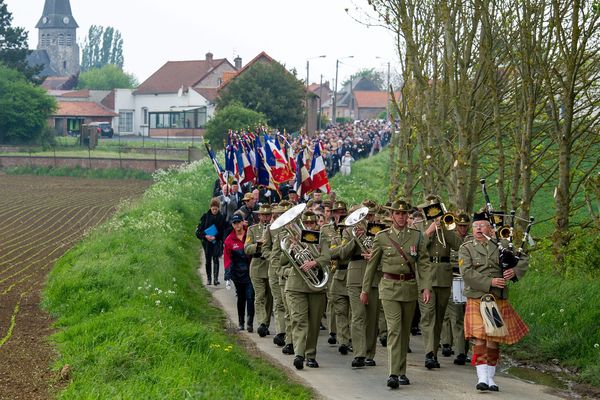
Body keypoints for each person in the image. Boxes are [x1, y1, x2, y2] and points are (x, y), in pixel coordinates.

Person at [360, 198, 432, 389]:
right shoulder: (382, 237)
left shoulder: (417, 236)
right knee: (394, 330)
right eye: (397, 214)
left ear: (408, 216)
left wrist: (426, 287)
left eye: (404, 214)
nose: (401, 217)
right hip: (389, 288)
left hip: (409, 288)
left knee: (404, 332)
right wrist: (365, 289)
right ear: (391, 216)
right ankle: (393, 373)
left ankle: (402, 372)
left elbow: (423, 264)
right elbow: (372, 266)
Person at [459, 211, 529, 391]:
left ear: (490, 228)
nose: (478, 229)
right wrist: (490, 282)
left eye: (482, 225)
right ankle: (481, 378)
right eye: (475, 226)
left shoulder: (502, 244)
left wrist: (514, 271)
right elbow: (466, 273)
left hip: (497, 297)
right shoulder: (466, 247)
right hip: (477, 296)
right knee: (480, 338)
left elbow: (523, 259)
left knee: (493, 339)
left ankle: (490, 379)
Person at [419, 194, 463, 370]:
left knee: (438, 318)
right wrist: (429, 231)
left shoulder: (447, 226)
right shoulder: (420, 227)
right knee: (428, 316)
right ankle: (429, 353)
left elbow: (458, 245)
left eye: (437, 210)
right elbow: (417, 249)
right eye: (432, 210)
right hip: (427, 275)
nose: (435, 214)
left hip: (444, 277)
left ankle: (434, 353)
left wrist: (444, 227)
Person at [283, 210, 330, 370]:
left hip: (316, 286)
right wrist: (291, 248)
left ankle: (310, 355)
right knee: (299, 320)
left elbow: (327, 257)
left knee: (314, 323)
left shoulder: (321, 239)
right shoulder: (292, 239)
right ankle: (299, 354)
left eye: (311, 223)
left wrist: (314, 263)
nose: (308, 226)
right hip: (296, 285)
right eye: (306, 223)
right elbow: (283, 260)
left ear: (316, 224)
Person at [440, 211, 472, 365]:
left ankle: (463, 349)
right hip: (453, 279)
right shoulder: (451, 237)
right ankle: (456, 350)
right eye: (460, 226)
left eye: (466, 226)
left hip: (469, 281)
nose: (463, 229)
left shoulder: (472, 239)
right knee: (454, 315)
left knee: (467, 316)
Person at [244, 204, 274, 338]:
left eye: (268, 215)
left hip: (270, 265)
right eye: (264, 215)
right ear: (259, 216)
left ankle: (265, 324)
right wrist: (258, 245)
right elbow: (247, 248)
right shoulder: (252, 229)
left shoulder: (275, 230)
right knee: (260, 295)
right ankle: (261, 322)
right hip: (257, 265)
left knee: (269, 297)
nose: (266, 218)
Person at [224, 213, 255, 332]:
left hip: (251, 272)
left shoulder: (250, 234)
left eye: (238, 222)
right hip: (237, 274)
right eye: (234, 223)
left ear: (243, 222)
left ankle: (250, 323)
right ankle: (241, 322)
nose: (237, 225)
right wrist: (227, 275)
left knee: (250, 297)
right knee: (241, 298)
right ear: (232, 225)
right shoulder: (229, 240)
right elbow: (227, 259)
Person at [195, 197, 226, 285]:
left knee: (216, 258)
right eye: (213, 209)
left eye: (216, 209)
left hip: (216, 241)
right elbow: (199, 231)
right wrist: (205, 236)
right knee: (208, 260)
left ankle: (215, 279)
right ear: (210, 207)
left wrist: (215, 237)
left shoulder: (221, 217)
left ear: (218, 208)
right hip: (207, 242)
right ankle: (209, 279)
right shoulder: (205, 216)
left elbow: (222, 231)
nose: (214, 211)